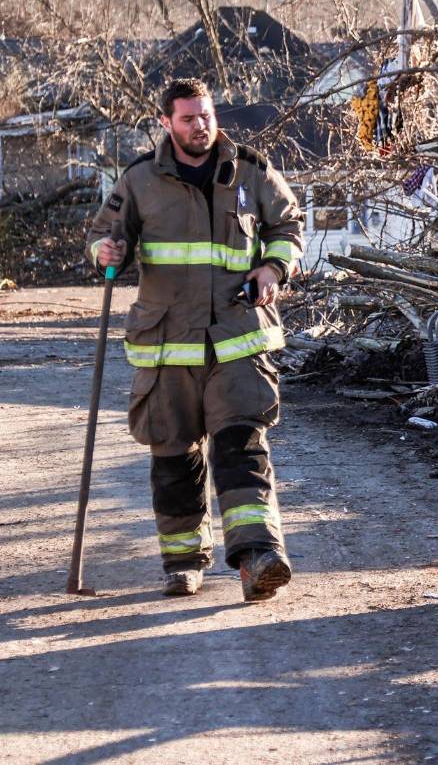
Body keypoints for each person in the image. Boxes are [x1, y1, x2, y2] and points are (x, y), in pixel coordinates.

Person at [86, 78, 305, 602]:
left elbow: (289, 224)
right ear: (166, 123)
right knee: (174, 455)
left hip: (238, 340)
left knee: (241, 445)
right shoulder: (139, 180)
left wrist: (274, 267)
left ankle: (257, 558)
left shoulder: (249, 169)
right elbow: (103, 235)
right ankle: (183, 562)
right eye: (187, 118)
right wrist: (106, 254)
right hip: (166, 345)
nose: (200, 125)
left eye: (206, 115)